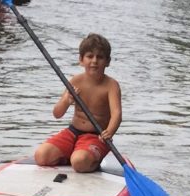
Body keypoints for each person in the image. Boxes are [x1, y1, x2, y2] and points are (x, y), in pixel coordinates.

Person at [34, 33, 123, 173]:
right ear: (81, 60)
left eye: (99, 57)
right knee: (41, 156)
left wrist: (109, 132)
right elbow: (57, 114)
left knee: (79, 162)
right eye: (89, 56)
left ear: (108, 61)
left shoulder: (111, 86)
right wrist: (66, 101)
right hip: (72, 132)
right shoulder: (75, 81)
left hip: (96, 137)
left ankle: (91, 161)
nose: (94, 61)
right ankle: (72, 155)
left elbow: (117, 114)